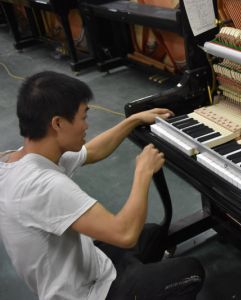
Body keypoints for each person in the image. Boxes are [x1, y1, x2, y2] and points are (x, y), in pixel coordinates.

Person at [0, 71, 205, 300]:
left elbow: (93, 151)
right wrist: (143, 172)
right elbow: (125, 234)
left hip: (88, 266)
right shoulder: (43, 186)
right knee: (191, 271)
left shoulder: (19, 158)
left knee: (153, 235)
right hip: (85, 294)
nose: (86, 126)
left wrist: (133, 120)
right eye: (82, 117)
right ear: (57, 123)